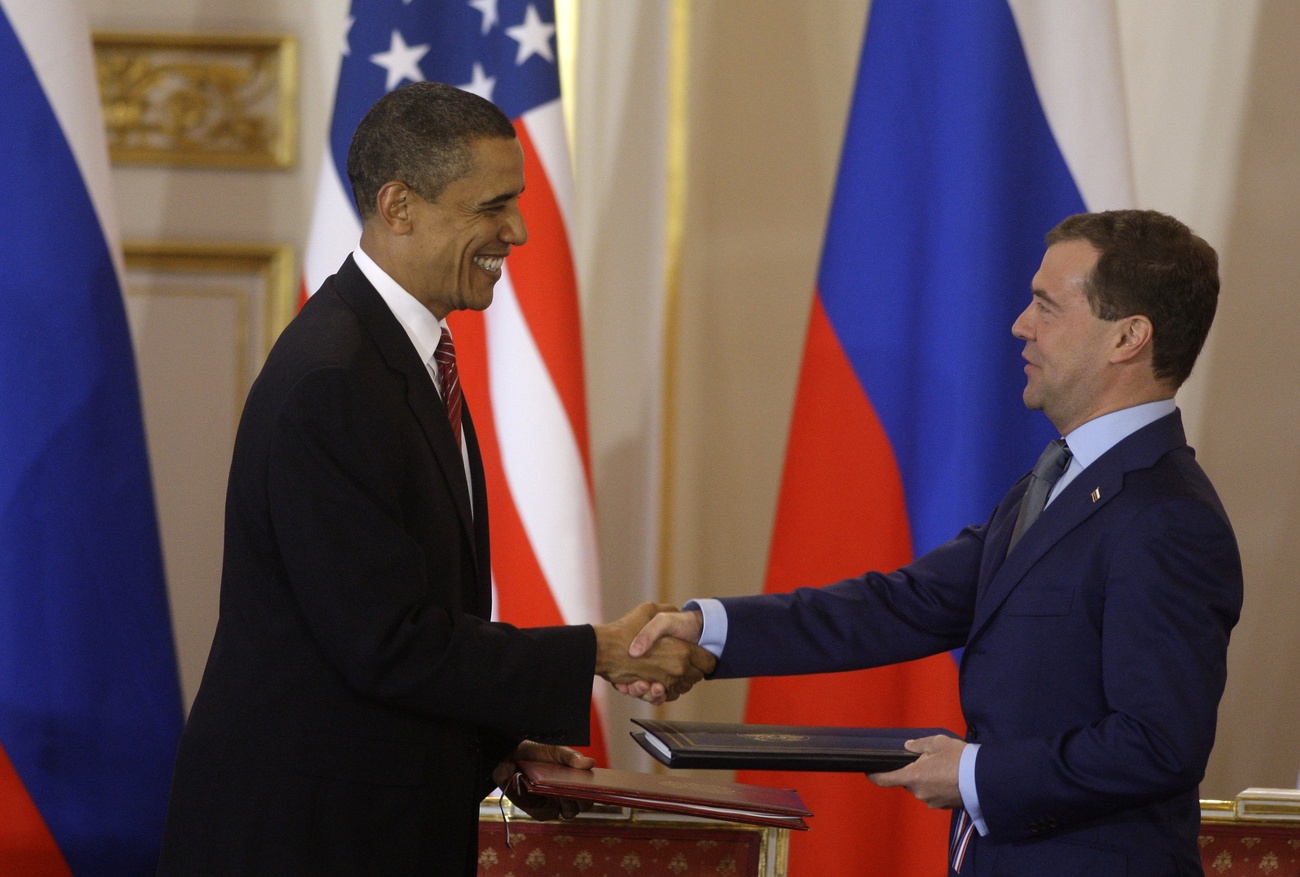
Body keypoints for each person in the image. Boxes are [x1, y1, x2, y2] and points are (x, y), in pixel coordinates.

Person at [157, 82, 714, 877]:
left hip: (372, 815)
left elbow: (402, 623)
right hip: (305, 837)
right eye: (493, 206)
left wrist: (491, 744)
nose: (517, 231)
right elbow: (387, 642)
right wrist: (599, 648)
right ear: (399, 205)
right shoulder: (333, 378)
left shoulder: (400, 358)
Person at [625, 210, 1242, 876]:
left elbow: (1157, 743)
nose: (1020, 325)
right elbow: (903, 605)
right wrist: (706, 630)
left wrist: (978, 772)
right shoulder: (1059, 478)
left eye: (1046, 306)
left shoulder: (1167, 517)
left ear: (1128, 337)